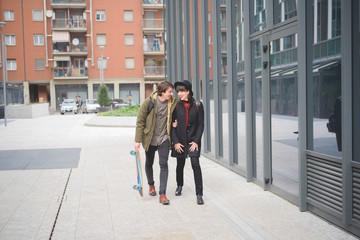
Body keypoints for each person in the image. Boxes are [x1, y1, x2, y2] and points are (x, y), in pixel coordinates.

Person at [134, 81, 178, 205]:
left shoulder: (173, 102)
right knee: (149, 163)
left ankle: (162, 194)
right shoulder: (149, 102)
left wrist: (175, 122)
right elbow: (140, 122)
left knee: (163, 164)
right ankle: (151, 185)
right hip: (150, 138)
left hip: (164, 138)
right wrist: (137, 141)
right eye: (169, 91)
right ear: (162, 92)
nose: (171, 93)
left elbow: (180, 112)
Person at [171, 80, 205, 205]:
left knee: (195, 164)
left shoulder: (198, 105)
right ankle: (179, 186)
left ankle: (199, 194)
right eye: (178, 91)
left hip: (193, 141)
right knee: (180, 164)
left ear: (188, 91)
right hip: (180, 141)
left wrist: (196, 141)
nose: (179, 94)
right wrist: (175, 142)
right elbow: (172, 126)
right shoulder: (175, 106)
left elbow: (201, 125)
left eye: (182, 91)